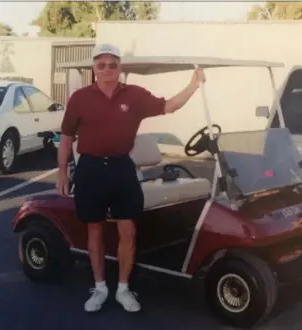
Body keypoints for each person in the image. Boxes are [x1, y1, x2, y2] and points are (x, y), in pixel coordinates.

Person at [57, 43, 206, 313]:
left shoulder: (135, 96)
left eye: (112, 64)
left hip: (121, 168)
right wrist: (62, 171)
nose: (107, 69)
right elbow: (66, 137)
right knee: (95, 228)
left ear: (120, 67)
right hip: (90, 169)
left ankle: (123, 288)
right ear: (94, 68)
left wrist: (194, 85)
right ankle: (100, 287)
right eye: (101, 64)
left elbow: (169, 106)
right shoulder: (80, 98)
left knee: (128, 229)